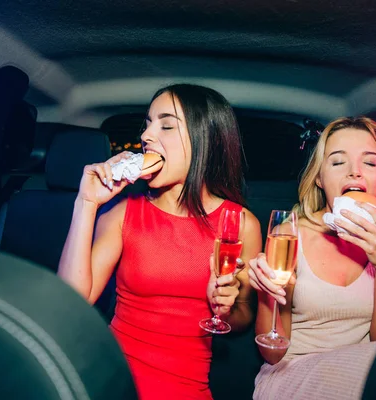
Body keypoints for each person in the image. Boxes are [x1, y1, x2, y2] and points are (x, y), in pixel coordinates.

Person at [57, 84, 262, 400]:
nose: (147, 136)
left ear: (204, 140)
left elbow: (243, 319)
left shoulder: (241, 224)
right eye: (148, 124)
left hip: (186, 387)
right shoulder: (123, 213)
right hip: (110, 380)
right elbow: (70, 302)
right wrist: (86, 203)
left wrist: (223, 307)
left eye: (166, 125)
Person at [248, 116, 376, 400]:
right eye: (338, 162)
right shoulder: (289, 235)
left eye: (370, 162)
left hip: (366, 377)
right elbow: (272, 352)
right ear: (319, 178)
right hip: (290, 376)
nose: (355, 172)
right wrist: (268, 294)